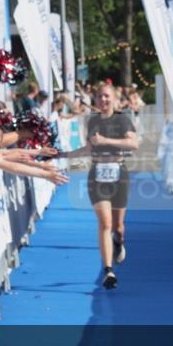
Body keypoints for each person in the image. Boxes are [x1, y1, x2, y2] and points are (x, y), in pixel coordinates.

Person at [61, 83, 139, 290]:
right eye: (100, 97)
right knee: (105, 224)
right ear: (95, 100)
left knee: (118, 227)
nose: (103, 100)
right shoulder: (92, 121)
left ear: (113, 99)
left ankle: (119, 241)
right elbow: (88, 148)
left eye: (106, 96)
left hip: (118, 174)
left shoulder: (122, 119)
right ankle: (108, 271)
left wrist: (106, 140)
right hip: (97, 174)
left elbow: (134, 144)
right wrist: (63, 155)